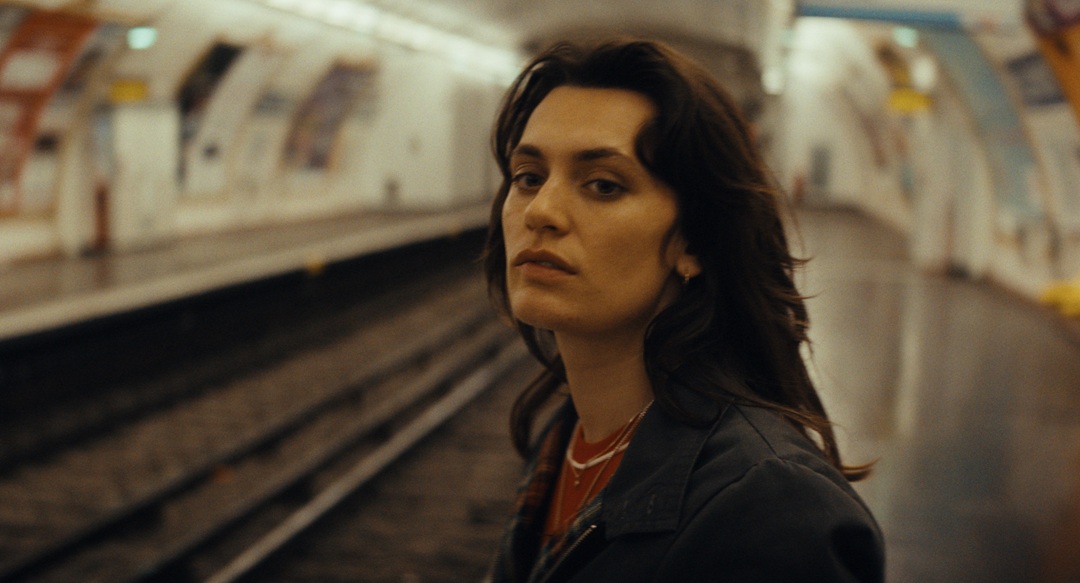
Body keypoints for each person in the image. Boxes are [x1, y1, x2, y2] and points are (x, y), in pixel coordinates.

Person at [483, 39, 884, 583]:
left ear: (694, 241)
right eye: (529, 177)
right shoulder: (569, 435)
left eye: (603, 185)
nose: (541, 211)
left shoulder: (770, 513)